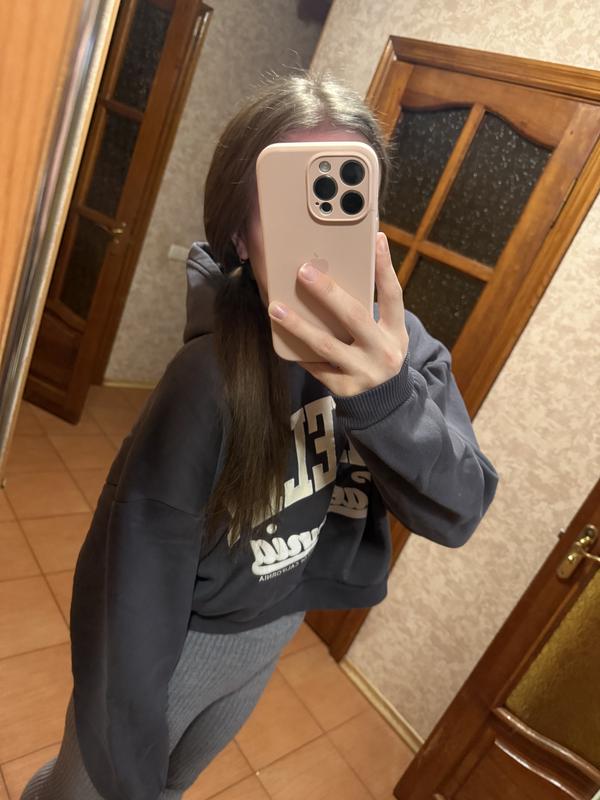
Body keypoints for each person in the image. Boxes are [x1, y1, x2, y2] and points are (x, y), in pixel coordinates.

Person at [21, 69, 499, 800]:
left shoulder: (406, 351)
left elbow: (458, 510)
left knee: (175, 785)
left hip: (272, 624)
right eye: (287, 207)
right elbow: (134, 578)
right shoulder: (204, 378)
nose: (317, 246)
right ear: (241, 235)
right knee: (89, 789)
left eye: (343, 201)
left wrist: (385, 400)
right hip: (184, 635)